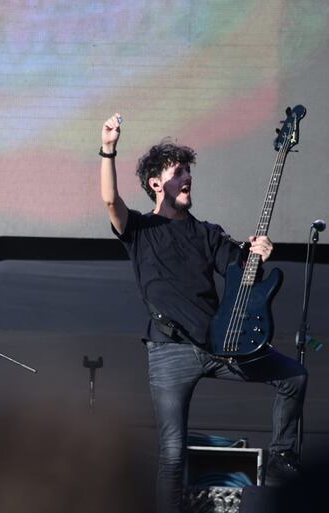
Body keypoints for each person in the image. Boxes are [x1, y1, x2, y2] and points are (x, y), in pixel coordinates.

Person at [99, 113, 308, 512]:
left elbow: (243, 274)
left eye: (188, 171)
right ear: (156, 184)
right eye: (178, 172)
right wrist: (108, 148)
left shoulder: (207, 233)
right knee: (172, 454)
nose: (187, 177)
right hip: (169, 352)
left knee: (293, 376)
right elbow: (111, 200)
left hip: (218, 346)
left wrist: (258, 254)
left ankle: (281, 457)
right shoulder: (139, 230)